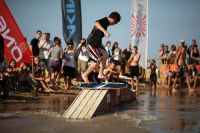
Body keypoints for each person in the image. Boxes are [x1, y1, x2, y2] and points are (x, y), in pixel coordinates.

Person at [82, 12, 121, 83]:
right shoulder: (105, 20)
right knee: (96, 62)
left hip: (97, 44)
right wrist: (105, 32)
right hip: (91, 44)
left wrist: (102, 46)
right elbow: (96, 23)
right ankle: (85, 75)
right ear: (114, 19)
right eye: (115, 23)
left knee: (106, 55)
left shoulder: (106, 24)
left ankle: (100, 74)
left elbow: (98, 37)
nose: (114, 25)